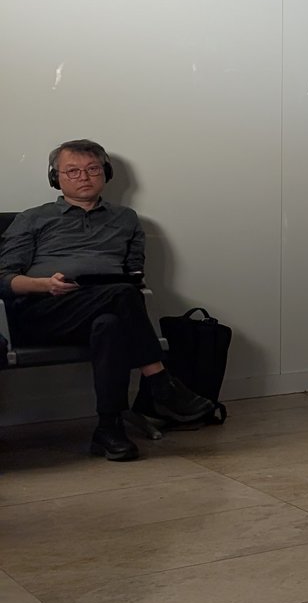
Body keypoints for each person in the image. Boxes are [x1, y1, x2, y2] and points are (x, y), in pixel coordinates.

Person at [0, 140, 217, 461]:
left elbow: (134, 274)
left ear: (106, 174)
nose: (83, 177)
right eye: (72, 171)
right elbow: (4, 279)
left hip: (110, 306)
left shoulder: (126, 219)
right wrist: (43, 284)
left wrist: (120, 285)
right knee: (121, 296)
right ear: (55, 177)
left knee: (111, 323)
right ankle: (159, 381)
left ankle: (109, 429)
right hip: (43, 311)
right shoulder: (34, 218)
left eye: (92, 169)